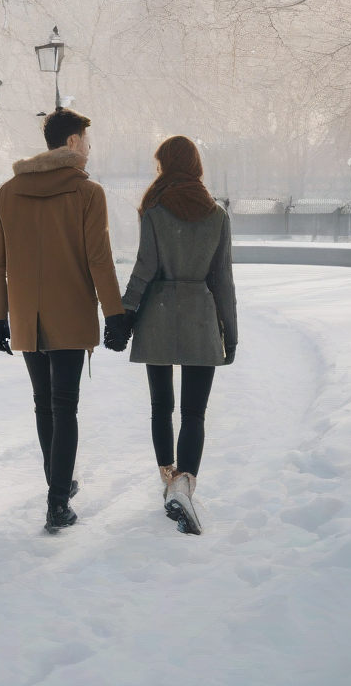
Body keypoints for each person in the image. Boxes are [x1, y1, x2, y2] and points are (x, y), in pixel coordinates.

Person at [0, 108, 130, 533]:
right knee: (65, 407)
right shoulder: (88, 193)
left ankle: (60, 488)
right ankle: (57, 503)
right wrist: (115, 314)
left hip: (27, 317)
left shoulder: (8, 193)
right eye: (86, 139)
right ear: (71, 142)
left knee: (43, 404)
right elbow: (99, 260)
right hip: (70, 314)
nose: (88, 147)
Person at [106, 135, 237, 536]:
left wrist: (124, 313)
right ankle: (185, 484)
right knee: (194, 412)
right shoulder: (217, 215)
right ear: (196, 165)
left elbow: (144, 268)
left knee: (162, 405)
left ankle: (167, 477)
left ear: (165, 165)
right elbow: (223, 281)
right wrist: (229, 335)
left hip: (158, 315)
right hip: (200, 316)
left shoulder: (154, 211)